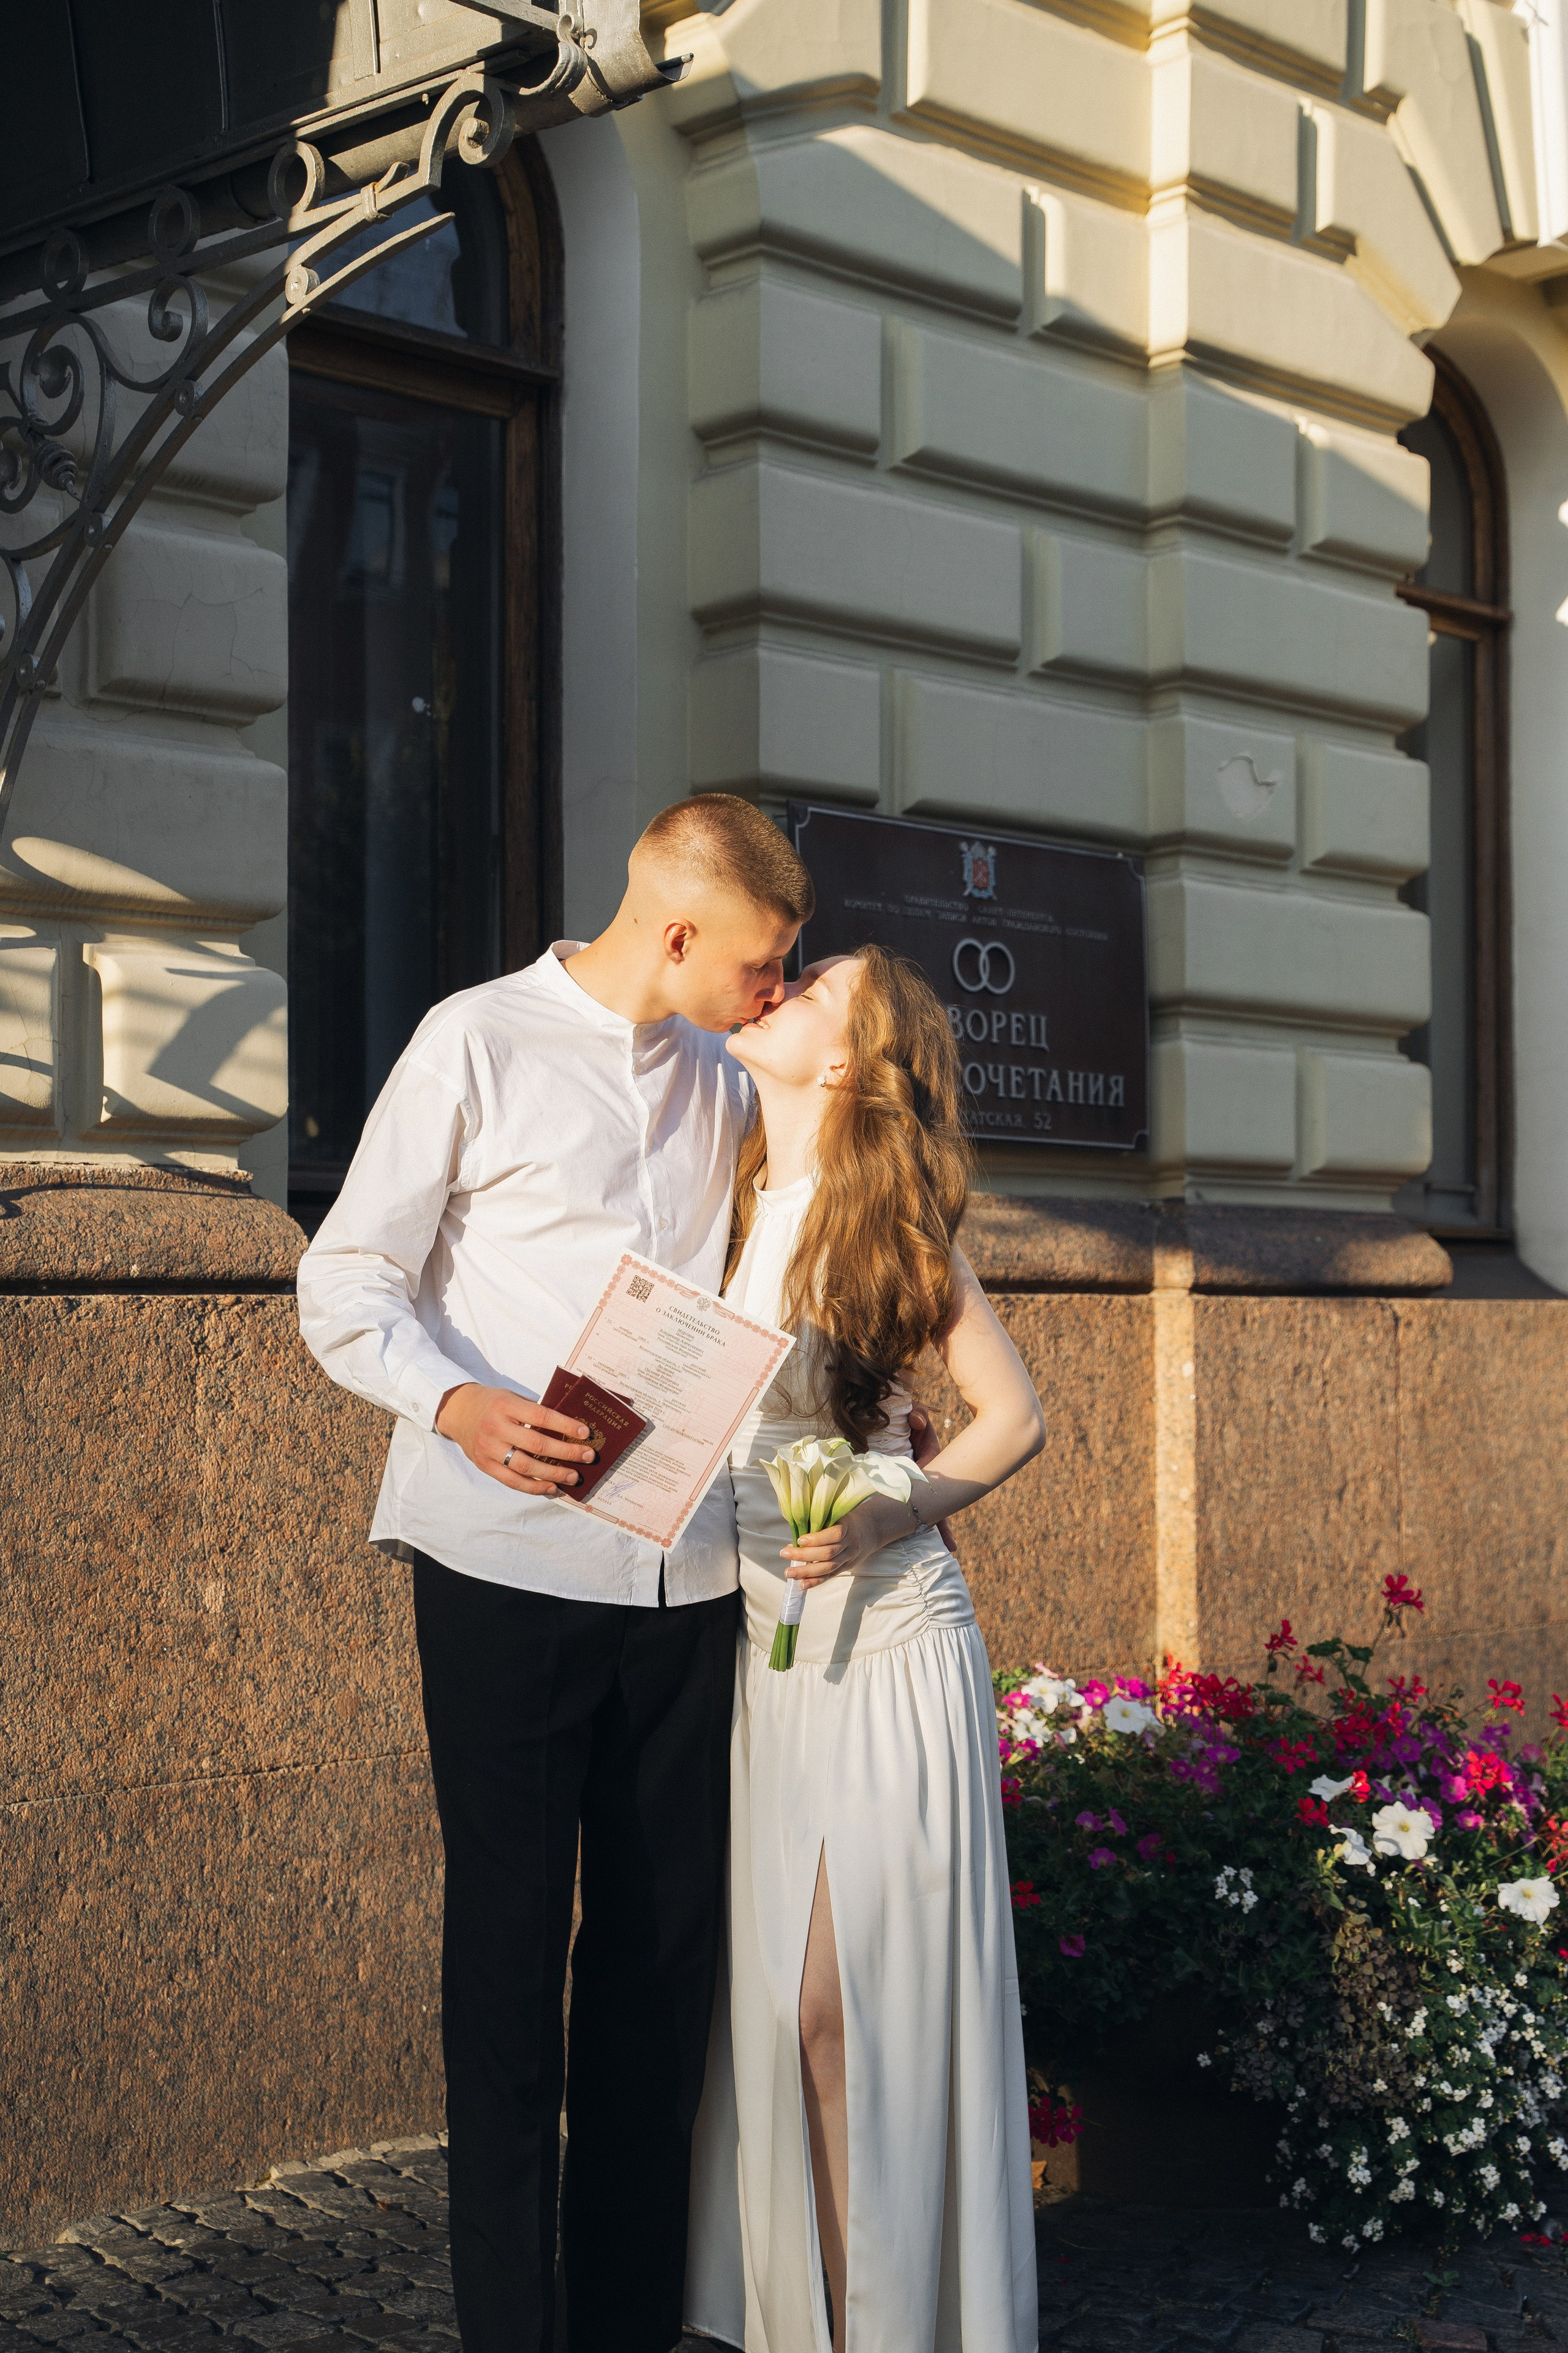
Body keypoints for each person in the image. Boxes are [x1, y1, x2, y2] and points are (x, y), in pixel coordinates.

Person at [295, 795, 815, 2353]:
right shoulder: (474, 1041)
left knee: (661, 1971)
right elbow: (345, 1277)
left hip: (688, 1577)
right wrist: (453, 1402)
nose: (772, 991)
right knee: (511, 1973)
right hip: (502, 1567)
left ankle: (627, 2328)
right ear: (677, 931)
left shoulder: (730, 1073)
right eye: (759, 964)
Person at [684, 946, 1046, 2353]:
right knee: (779, 2018)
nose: (780, 986)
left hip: (889, 1644)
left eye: (817, 985)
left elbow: (1012, 1417)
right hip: (759, 1652)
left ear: (844, 1060)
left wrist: (896, 1506)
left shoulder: (885, 1229)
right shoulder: (718, 1204)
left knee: (840, 2011)